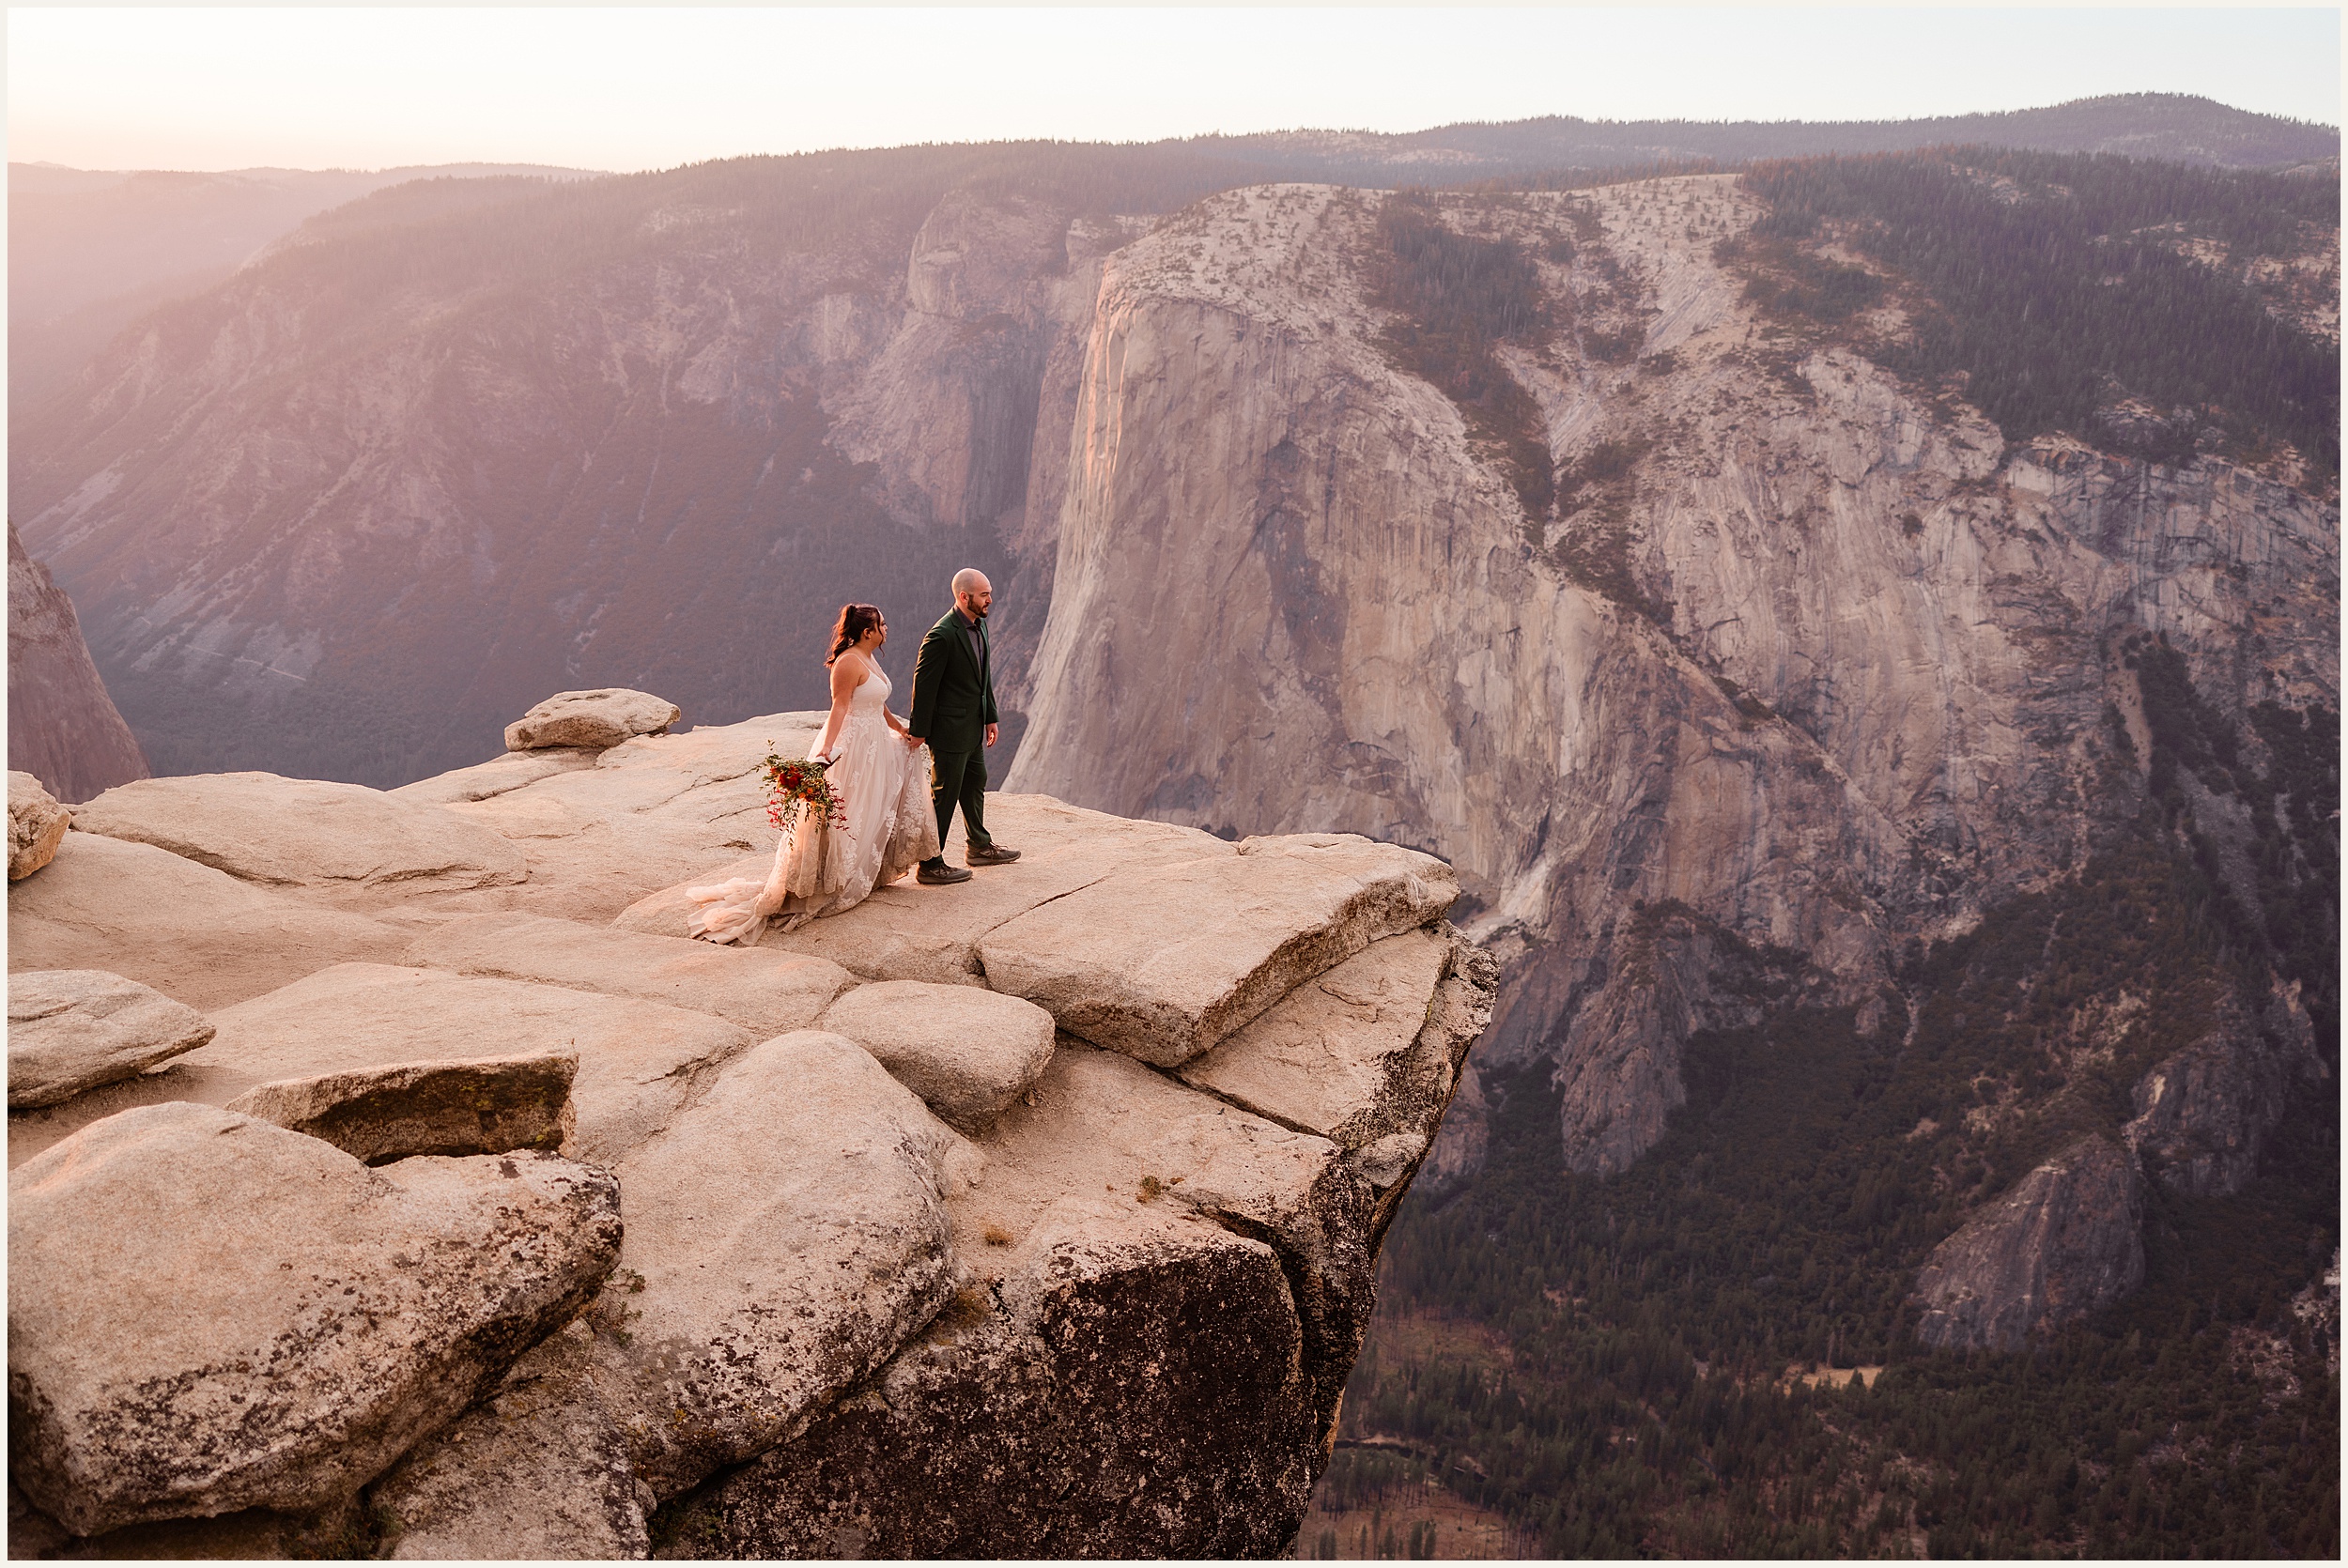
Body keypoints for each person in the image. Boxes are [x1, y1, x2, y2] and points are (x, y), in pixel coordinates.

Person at [687, 604, 939, 943]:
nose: (886, 629)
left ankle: (860, 869)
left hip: (874, 742)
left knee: (869, 808)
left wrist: (898, 729)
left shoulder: (867, 657)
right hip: (853, 746)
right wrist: (825, 751)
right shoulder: (848, 662)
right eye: (882, 624)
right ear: (868, 632)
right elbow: (840, 706)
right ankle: (832, 877)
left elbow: (877, 702)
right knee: (847, 809)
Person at [906, 567, 1020, 884]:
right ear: (964, 596)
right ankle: (930, 863)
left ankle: (979, 846)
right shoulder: (941, 635)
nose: (990, 600)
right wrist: (919, 730)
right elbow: (924, 686)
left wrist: (990, 716)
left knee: (975, 783)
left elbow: (983, 679)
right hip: (949, 733)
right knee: (945, 795)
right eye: (984, 594)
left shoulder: (979, 627)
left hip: (972, 728)